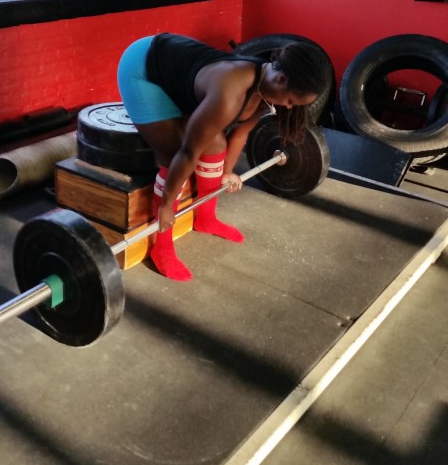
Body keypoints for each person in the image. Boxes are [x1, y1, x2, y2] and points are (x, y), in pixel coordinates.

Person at [117, 32, 328, 281]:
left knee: (215, 143)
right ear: (281, 79)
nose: (289, 108)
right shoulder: (230, 92)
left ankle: (206, 219)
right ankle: (161, 247)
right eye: (292, 101)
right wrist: (166, 207)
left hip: (175, 63)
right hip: (142, 69)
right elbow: (188, 152)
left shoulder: (266, 87)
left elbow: (239, 134)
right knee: (172, 154)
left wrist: (227, 173)